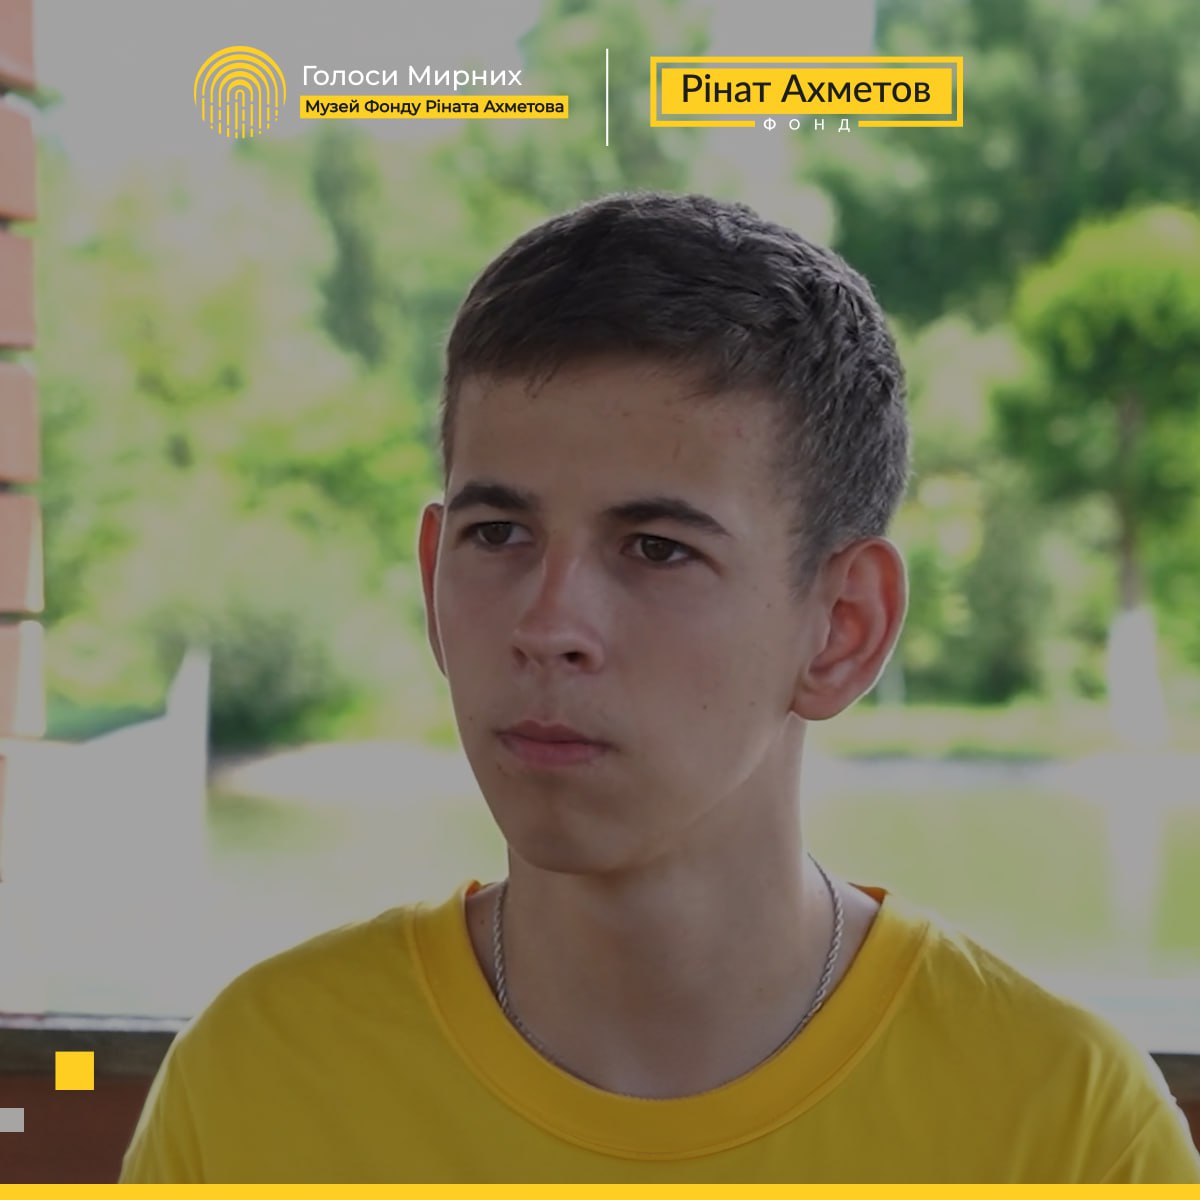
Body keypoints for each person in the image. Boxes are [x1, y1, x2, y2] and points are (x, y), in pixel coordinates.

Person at [119, 191, 1200, 1183]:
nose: (549, 626)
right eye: (499, 535)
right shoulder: (257, 1080)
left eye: (656, 549)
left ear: (843, 629)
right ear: (432, 575)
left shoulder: (1067, 1131)